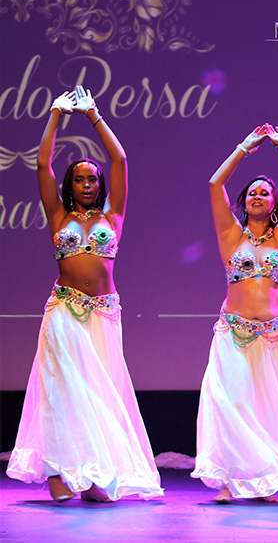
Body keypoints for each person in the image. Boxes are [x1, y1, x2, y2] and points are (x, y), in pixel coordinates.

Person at [7, 87, 162, 502]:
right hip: (64, 310)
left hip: (104, 314)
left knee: (99, 391)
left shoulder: (114, 214)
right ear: (70, 185)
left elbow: (120, 160)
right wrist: (56, 115)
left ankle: (94, 474)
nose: (88, 184)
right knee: (63, 391)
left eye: (92, 178)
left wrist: (94, 115)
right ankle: (59, 473)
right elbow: (42, 163)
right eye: (79, 179)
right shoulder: (58, 215)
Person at [191, 124, 278, 503]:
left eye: (264, 192)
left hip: (275, 336)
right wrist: (244, 148)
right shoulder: (230, 236)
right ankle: (230, 480)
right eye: (252, 192)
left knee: (271, 408)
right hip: (233, 333)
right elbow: (215, 184)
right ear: (244, 201)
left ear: (274, 202)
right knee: (232, 403)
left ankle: (270, 480)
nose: (257, 196)